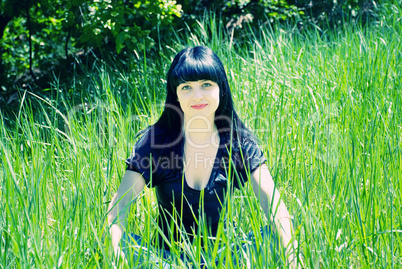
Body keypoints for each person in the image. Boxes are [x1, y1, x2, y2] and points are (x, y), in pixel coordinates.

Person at [107, 46, 298, 267]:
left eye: (206, 85)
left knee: (282, 229)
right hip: (167, 261)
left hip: (227, 259)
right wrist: (116, 254)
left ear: (221, 88)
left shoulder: (239, 144)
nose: (197, 96)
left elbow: (276, 209)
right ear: (175, 94)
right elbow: (116, 212)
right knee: (117, 240)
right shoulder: (155, 143)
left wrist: (293, 261)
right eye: (186, 87)